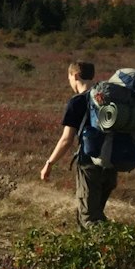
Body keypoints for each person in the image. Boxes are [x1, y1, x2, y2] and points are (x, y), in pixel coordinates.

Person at [40, 60, 115, 227]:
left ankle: (117, 248)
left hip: (89, 165)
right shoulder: (105, 99)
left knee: (89, 219)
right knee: (95, 213)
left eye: (69, 78)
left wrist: (49, 163)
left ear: (75, 75)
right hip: (111, 163)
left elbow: (67, 140)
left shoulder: (77, 101)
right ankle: (101, 250)